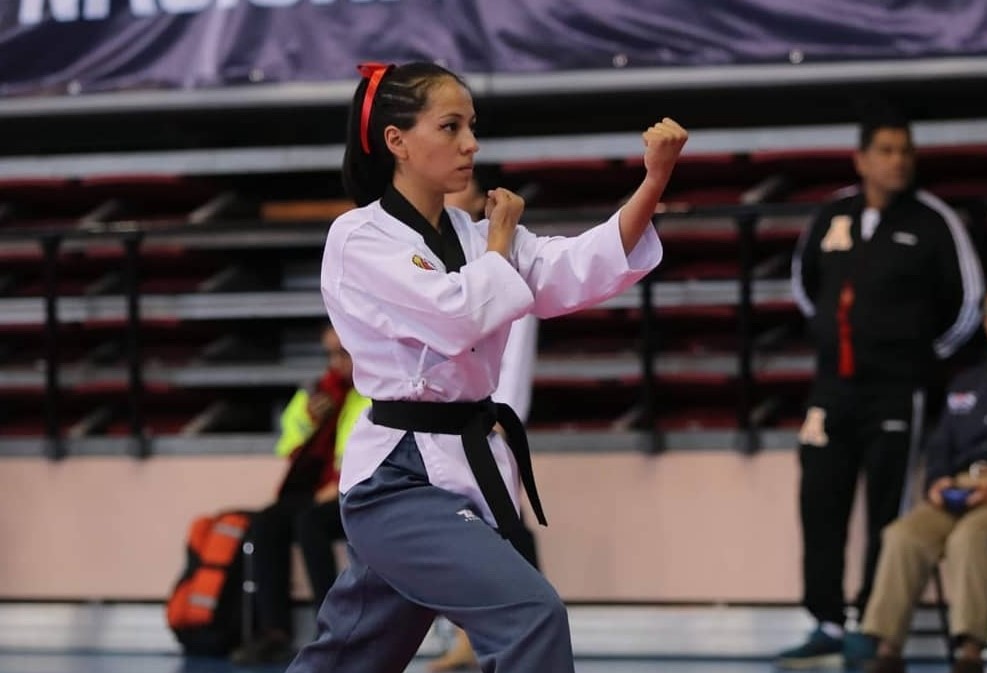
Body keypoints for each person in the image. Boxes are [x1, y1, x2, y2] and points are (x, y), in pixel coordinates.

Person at [284, 61, 686, 673]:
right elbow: (454, 319)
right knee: (532, 615)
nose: (470, 143)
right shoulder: (360, 237)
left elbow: (580, 266)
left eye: (472, 126)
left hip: (462, 468)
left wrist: (653, 180)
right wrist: (499, 244)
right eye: (450, 127)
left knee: (351, 656)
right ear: (397, 141)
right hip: (397, 479)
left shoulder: (475, 235)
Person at [780, 109, 984, 667]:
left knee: (887, 510)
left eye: (905, 151)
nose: (898, 161)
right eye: (887, 151)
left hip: (897, 389)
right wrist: (835, 339)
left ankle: (873, 626)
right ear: (862, 159)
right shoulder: (833, 215)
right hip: (832, 388)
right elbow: (805, 286)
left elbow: (967, 305)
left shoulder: (933, 221)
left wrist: (916, 359)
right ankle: (826, 621)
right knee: (819, 501)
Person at [848, 279, 987, 673]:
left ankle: (970, 650)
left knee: (971, 534)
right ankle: (886, 647)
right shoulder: (967, 382)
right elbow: (940, 447)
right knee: (903, 535)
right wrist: (937, 482)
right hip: (961, 492)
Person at [427, 170, 542, 672]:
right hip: (443, 416)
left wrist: (502, 411)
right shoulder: (426, 254)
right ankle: (469, 636)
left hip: (486, 415)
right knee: (460, 527)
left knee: (499, 525)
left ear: (478, 201)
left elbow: (516, 346)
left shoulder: (502, 255)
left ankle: (517, 633)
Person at [230, 325, 370, 665]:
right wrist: (310, 420)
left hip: (362, 491)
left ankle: (330, 628)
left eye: (343, 353)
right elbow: (288, 446)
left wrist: (340, 485)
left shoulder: (377, 392)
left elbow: (378, 452)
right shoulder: (317, 393)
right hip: (318, 491)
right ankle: (274, 632)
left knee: (310, 523)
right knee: (266, 522)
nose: (335, 362)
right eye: (330, 354)